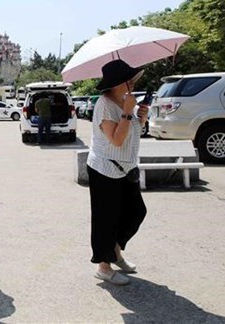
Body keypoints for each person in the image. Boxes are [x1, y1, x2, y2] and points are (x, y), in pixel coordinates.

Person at [86, 59, 149, 285]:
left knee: (135, 212)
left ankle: (116, 253)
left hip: (127, 167)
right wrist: (127, 111)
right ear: (115, 84)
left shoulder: (125, 102)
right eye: (128, 80)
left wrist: (140, 117)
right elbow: (117, 140)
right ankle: (104, 266)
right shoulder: (105, 104)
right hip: (105, 168)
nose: (132, 83)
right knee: (106, 219)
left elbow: (132, 133)